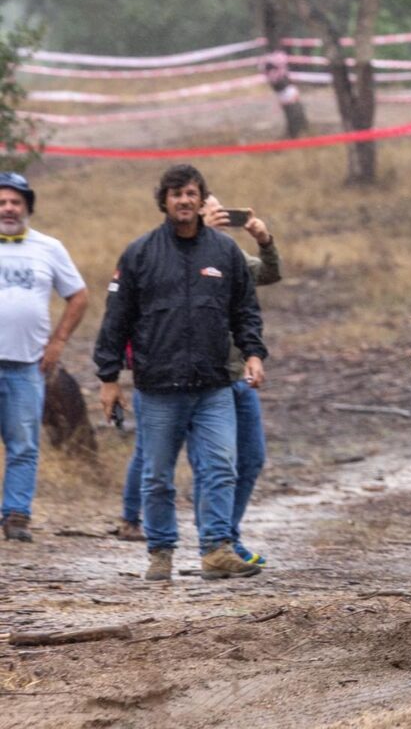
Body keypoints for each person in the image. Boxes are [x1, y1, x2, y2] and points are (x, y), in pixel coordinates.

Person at [94, 165, 267, 581]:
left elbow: (245, 310)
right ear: (164, 201)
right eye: (176, 194)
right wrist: (109, 377)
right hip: (157, 387)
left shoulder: (224, 252)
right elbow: (116, 318)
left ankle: (216, 549)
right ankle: (160, 551)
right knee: (156, 476)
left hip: (214, 385)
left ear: (200, 197)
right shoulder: (139, 254)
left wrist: (254, 353)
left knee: (222, 466)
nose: (184, 201)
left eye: (191, 193)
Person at [0, 173, 88, 543]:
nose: (8, 208)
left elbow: (78, 296)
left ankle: (16, 515)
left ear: (28, 207)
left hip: (27, 366)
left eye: (15, 202)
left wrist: (58, 342)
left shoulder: (48, 248)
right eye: (2, 201)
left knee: (23, 445)